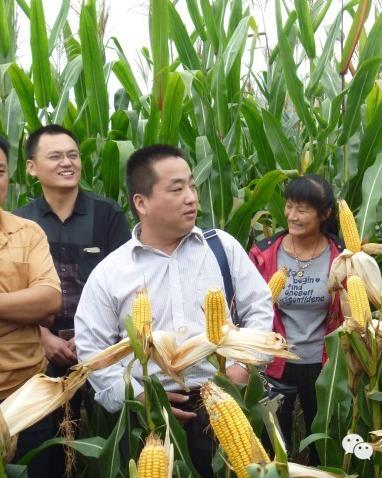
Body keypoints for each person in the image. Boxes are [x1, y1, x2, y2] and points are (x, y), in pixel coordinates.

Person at [74, 144, 273, 477]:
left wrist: (241, 368)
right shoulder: (112, 272)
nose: (191, 197)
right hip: (150, 417)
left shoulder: (221, 247)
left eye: (192, 186)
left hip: (227, 402)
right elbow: (93, 350)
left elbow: (259, 307)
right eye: (177, 189)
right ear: (142, 202)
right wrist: (140, 396)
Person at [13, 124, 130, 477]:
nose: (67, 162)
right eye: (55, 156)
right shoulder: (20, 222)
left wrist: (92, 339)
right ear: (32, 167)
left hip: (100, 352)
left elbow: (126, 283)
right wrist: (42, 337)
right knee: (40, 449)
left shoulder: (107, 215)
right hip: (37, 353)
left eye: (73, 155)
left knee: (102, 446)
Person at [249, 174, 344, 465]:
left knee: (325, 443)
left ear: (324, 214)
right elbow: (248, 306)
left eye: (302, 210)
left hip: (324, 364)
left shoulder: (341, 255)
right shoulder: (263, 254)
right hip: (276, 362)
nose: (292, 215)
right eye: (289, 206)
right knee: (273, 444)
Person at [0, 135, 62, 475]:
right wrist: (20, 311)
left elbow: (49, 299)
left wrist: (35, 307)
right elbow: (35, 304)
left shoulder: (28, 233)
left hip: (27, 397)